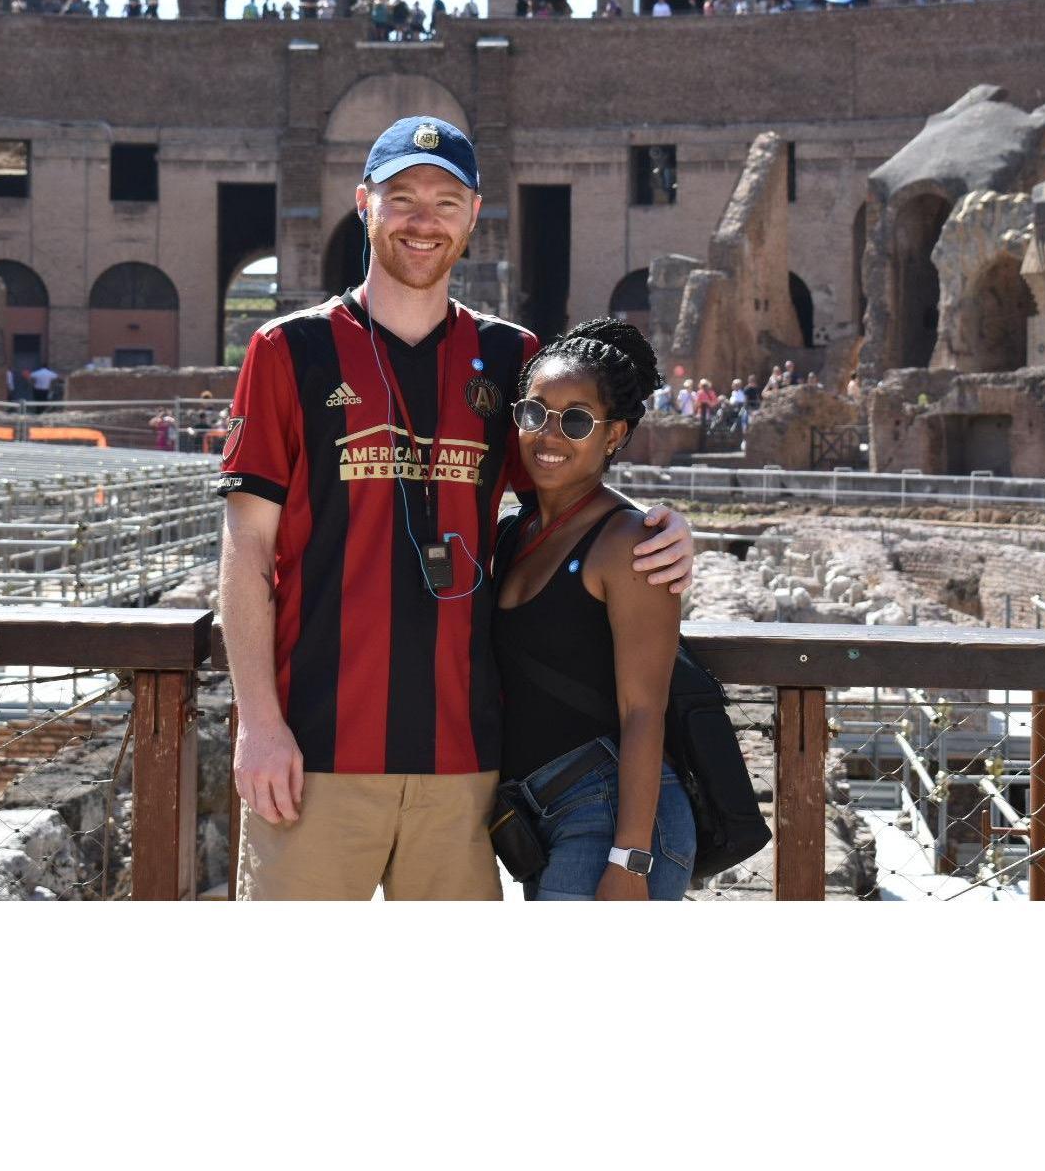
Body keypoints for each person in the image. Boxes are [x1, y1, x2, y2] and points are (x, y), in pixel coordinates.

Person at [217, 115, 695, 901]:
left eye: (446, 201)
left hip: (463, 762)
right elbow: (245, 550)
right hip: (312, 754)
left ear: (474, 215)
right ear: (364, 203)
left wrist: (664, 525)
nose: (423, 220)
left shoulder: (510, 357)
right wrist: (259, 724)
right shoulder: (287, 350)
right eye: (402, 197)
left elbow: (564, 493)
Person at [491, 319, 696, 900]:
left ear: (614, 434)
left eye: (576, 420)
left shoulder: (628, 542)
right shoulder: (514, 534)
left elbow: (642, 711)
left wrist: (631, 859)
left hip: (612, 814)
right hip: (540, 811)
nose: (548, 435)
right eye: (534, 413)